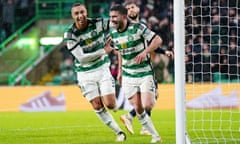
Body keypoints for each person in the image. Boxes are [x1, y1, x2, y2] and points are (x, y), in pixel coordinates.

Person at [63, 3, 126, 142]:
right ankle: (119, 132)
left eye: (82, 12)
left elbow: (116, 24)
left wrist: (125, 25)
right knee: (97, 105)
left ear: (86, 12)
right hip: (84, 73)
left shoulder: (99, 23)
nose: (80, 16)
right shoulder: (70, 34)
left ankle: (118, 110)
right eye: (76, 13)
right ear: (72, 16)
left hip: (102, 68)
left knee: (110, 105)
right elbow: (82, 58)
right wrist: (104, 50)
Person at [109, 4, 163, 143]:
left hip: (144, 72)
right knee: (137, 108)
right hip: (128, 75)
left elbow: (158, 40)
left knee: (147, 105)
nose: (112, 19)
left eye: (115, 17)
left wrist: (145, 52)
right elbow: (120, 51)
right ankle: (156, 136)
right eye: (110, 17)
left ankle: (153, 93)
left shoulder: (138, 28)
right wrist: (120, 71)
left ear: (123, 16)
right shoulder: (113, 33)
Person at [120, 2, 173, 136]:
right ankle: (132, 118)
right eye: (127, 9)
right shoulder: (130, 28)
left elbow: (150, 43)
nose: (130, 10)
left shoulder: (141, 26)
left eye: (132, 7)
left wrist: (163, 51)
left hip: (139, 68)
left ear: (138, 9)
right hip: (140, 70)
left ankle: (136, 121)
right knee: (150, 97)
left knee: (149, 97)